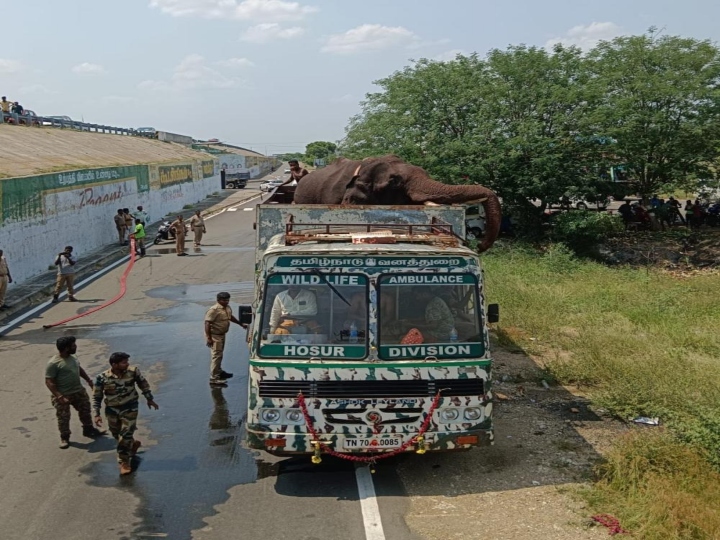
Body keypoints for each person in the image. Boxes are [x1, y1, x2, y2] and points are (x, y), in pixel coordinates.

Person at [93, 352, 158, 475]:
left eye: (127, 362)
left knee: (125, 434)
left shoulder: (133, 372)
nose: (127, 364)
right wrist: (96, 413)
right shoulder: (102, 377)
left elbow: (143, 384)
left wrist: (149, 399)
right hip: (112, 410)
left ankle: (124, 462)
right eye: (124, 362)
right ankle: (133, 444)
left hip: (130, 408)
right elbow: (97, 396)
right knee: (117, 434)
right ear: (114, 364)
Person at [45, 336, 105, 449]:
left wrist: (88, 380)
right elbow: (49, 381)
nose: (76, 346)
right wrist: (59, 396)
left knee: (85, 411)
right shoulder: (53, 363)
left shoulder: (73, 356)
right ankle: (65, 437)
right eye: (73, 345)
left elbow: (78, 368)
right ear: (66, 348)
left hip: (78, 391)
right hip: (63, 394)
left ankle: (88, 429)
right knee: (63, 417)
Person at [205, 292, 246, 386]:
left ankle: (219, 371)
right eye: (224, 300)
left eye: (227, 300)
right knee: (216, 355)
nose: (226, 302)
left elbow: (230, 317)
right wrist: (209, 338)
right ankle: (214, 378)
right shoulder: (213, 310)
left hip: (222, 334)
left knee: (220, 354)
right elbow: (207, 323)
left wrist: (240, 324)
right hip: (215, 336)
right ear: (218, 300)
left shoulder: (227, 308)